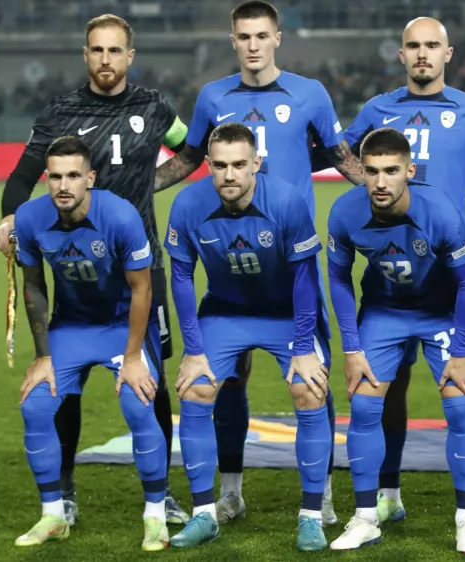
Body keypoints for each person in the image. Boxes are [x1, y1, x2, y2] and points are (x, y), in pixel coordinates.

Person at [154, 0, 361, 526]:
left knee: (312, 377)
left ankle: (325, 492)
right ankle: (230, 492)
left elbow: (341, 157)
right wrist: (140, 185)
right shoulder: (212, 96)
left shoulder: (309, 93)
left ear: (277, 38)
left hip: (292, 260)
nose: (252, 45)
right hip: (230, 255)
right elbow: (190, 158)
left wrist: (396, 193)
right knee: (231, 381)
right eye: (243, 36)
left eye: (261, 35)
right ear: (233, 40)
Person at [0, 13, 189, 527]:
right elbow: (21, 177)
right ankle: (65, 489)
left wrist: (153, 184)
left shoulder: (155, 106)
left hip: (141, 264)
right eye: (96, 51)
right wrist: (10, 219)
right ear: (86, 55)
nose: (106, 60)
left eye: (115, 50)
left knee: (153, 379)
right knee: (65, 379)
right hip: (77, 269)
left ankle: (162, 492)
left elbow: (191, 149)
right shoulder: (60, 112)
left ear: (130, 55)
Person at [326, 16, 465, 526]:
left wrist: (461, 176)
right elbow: (339, 148)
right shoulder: (378, 108)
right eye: (413, 46)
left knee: (462, 383)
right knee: (388, 385)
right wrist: (366, 186)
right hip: (389, 274)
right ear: (402, 55)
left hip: (449, 275)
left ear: (448, 54)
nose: (423, 54)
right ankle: (388, 490)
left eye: (432, 45)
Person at [163, 122, 333, 550]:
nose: (230, 175)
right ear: (208, 165)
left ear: (256, 163)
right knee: (195, 388)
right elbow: (181, 278)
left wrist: (303, 346)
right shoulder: (187, 204)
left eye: (240, 164)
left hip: (286, 312)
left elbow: (305, 278)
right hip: (226, 311)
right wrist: (194, 351)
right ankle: (206, 513)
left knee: (309, 390)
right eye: (219, 165)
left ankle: (312, 516)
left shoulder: (287, 202)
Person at [325, 128, 465, 553]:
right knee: (363, 404)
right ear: (361, 171)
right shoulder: (344, 212)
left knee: (458, 403)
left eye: (391, 171)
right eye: (372, 171)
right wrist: (352, 349)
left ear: (409, 171)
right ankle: (365, 518)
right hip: (384, 310)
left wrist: (463, 351)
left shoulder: (440, 212)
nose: (380, 182)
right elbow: (339, 279)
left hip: (441, 310)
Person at [14, 136, 169, 551]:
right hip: (72, 327)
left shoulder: (120, 216)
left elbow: (142, 291)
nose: (63, 185)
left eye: (73, 176)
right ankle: (53, 514)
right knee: (35, 404)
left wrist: (134, 357)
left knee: (138, 403)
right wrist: (43, 356)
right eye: (55, 176)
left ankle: (155, 516)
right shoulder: (30, 219)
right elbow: (33, 285)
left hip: (123, 325)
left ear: (90, 178)